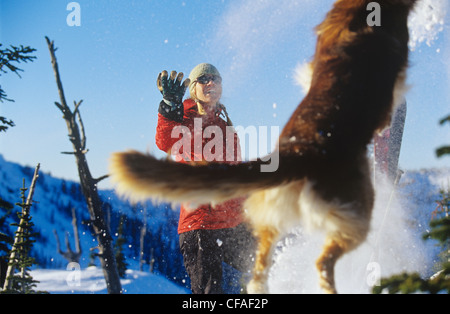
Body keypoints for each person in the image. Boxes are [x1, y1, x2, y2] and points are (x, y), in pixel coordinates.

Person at [155, 63, 255, 294]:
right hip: (200, 225)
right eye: (204, 79)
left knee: (269, 265)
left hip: (233, 221)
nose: (211, 83)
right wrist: (169, 106)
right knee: (210, 293)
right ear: (193, 88)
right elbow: (165, 141)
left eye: (216, 79)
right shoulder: (184, 118)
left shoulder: (223, 121)